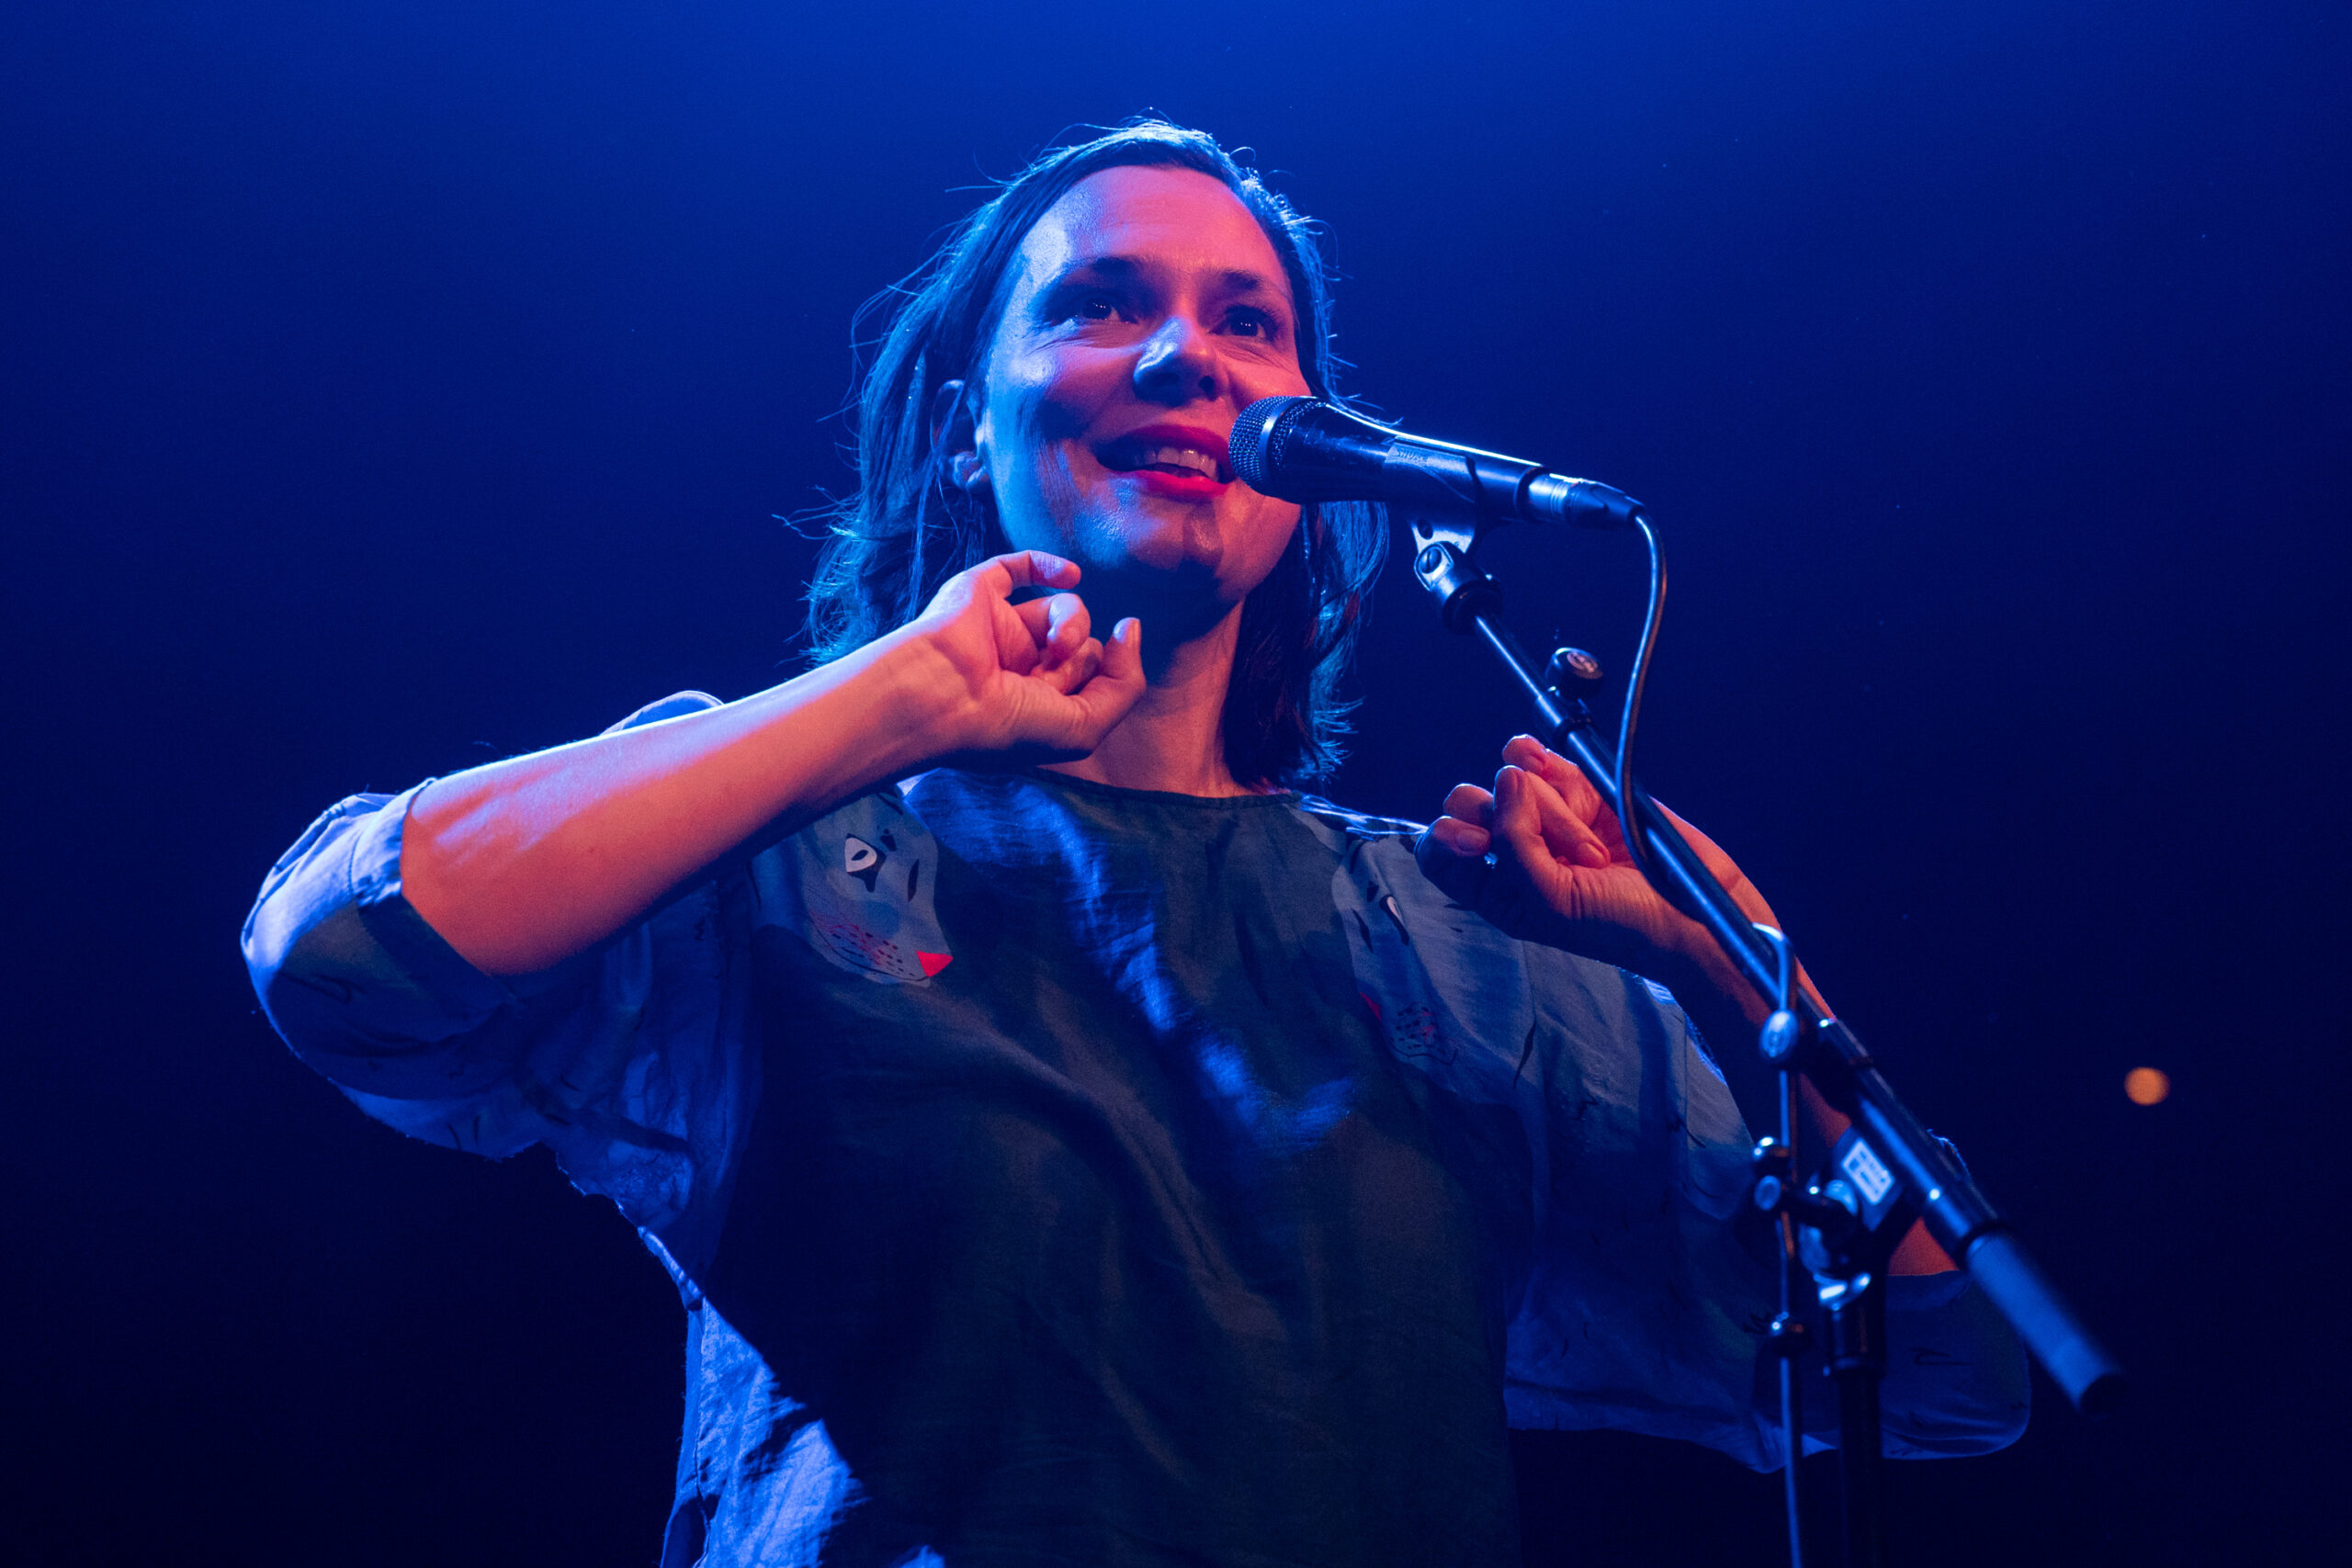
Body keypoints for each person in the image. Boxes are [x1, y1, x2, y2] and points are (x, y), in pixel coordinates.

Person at [243, 120, 2025, 1567]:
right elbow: (344, 953)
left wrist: (1720, 963)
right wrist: (885, 700)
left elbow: (1952, 1370)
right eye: (1101, 303)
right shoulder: (784, 844)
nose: (1183, 352)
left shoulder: (1469, 936)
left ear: (1311, 453)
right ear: (968, 420)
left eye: (1246, 321)